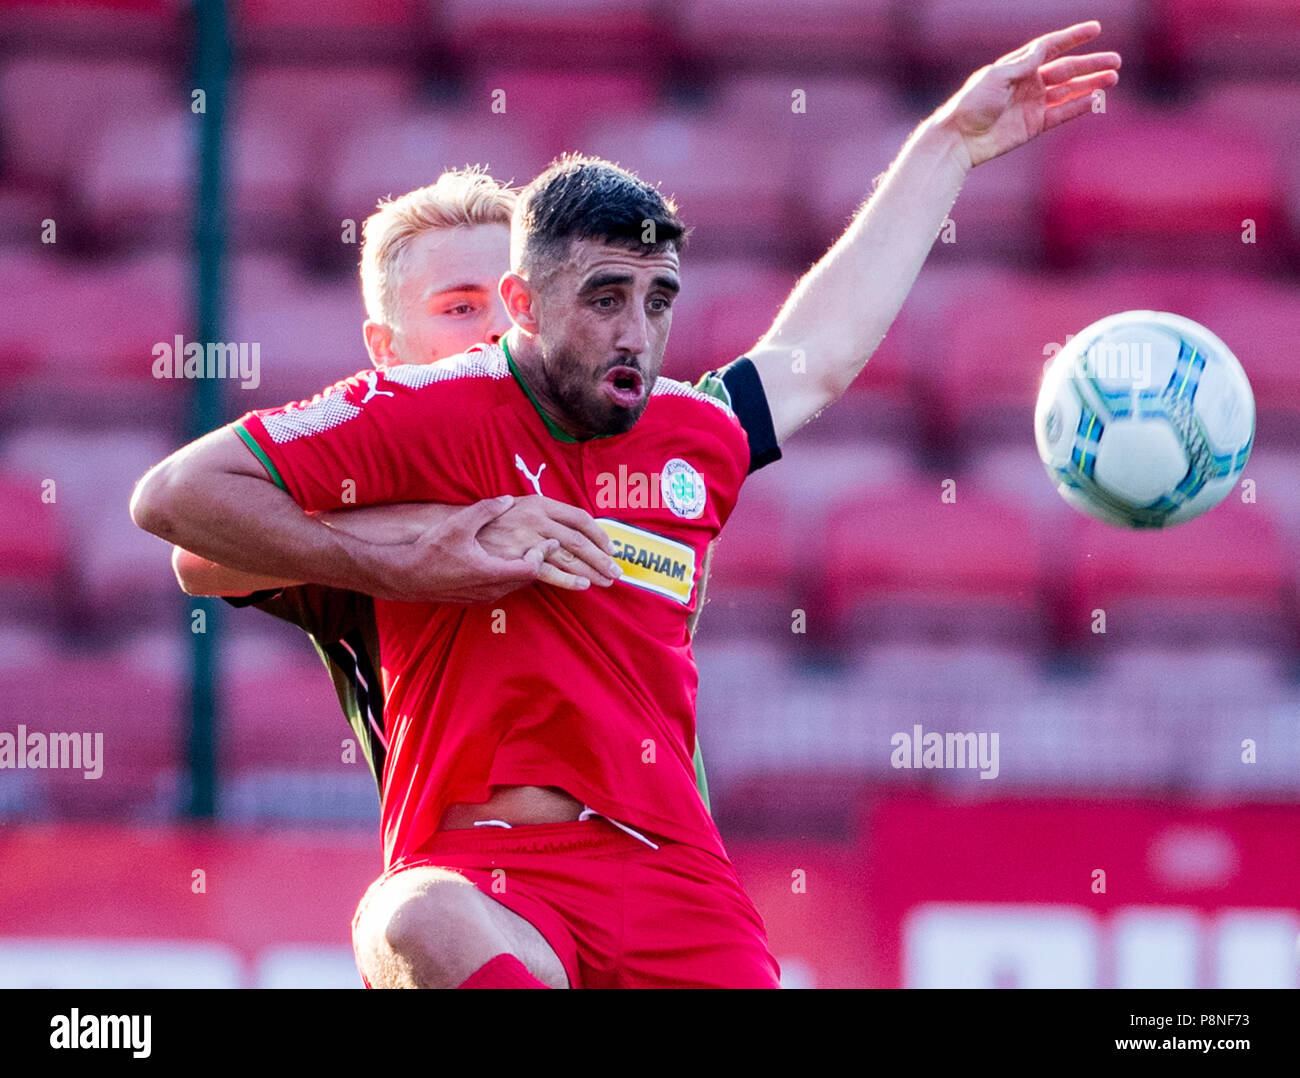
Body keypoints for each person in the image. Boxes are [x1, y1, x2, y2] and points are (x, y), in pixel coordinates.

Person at [132, 22, 1120, 988]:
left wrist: (946, 144)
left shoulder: (677, 432)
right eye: (458, 306)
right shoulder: (407, 438)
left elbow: (809, 360)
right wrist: (421, 548)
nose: (635, 328)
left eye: (656, 300)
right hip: (486, 882)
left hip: (667, 870)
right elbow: (192, 536)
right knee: (409, 914)